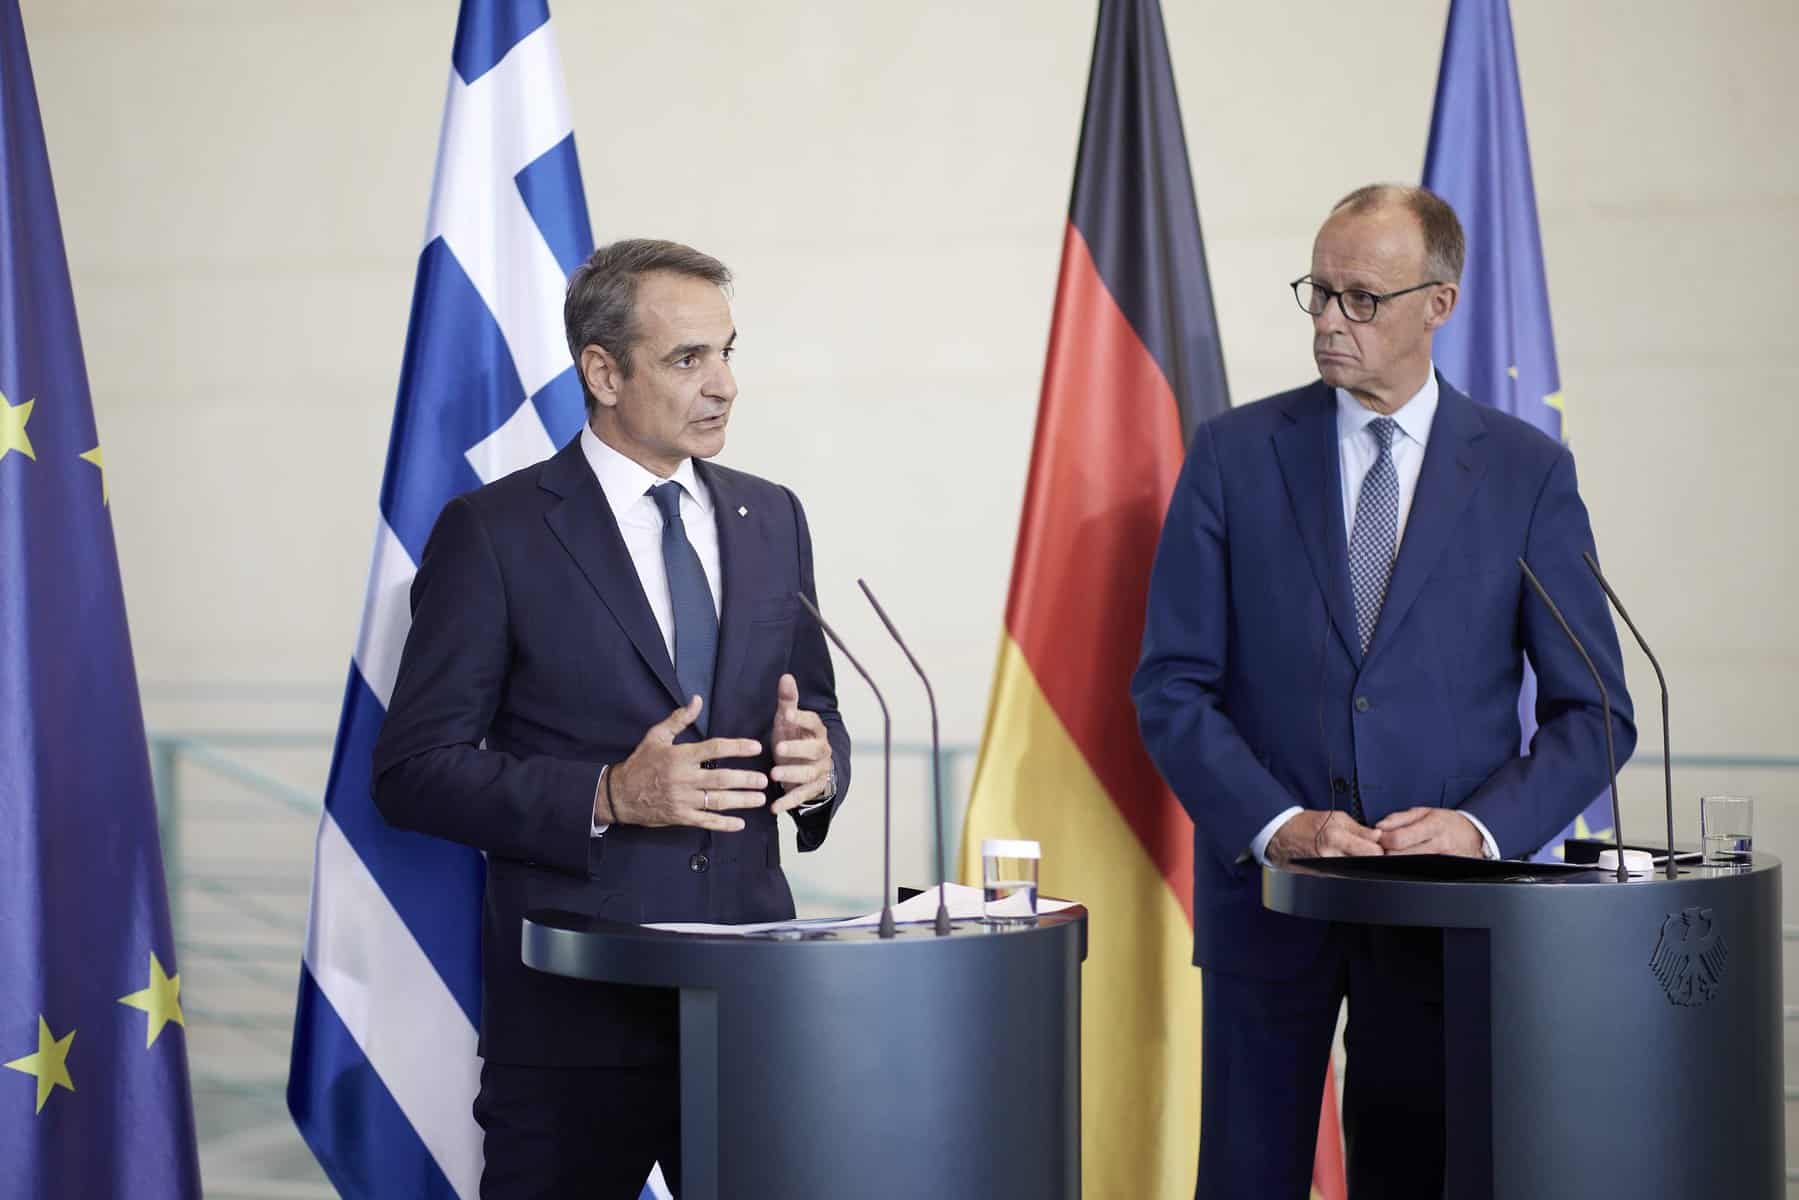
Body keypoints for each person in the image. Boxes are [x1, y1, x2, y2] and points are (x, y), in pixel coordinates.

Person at [1131, 185, 1634, 1197]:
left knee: (1416, 1175)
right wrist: (1277, 824)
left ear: (1437, 303)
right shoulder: (1231, 453)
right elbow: (1171, 685)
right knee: (1245, 1177)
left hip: (1440, 910)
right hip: (1269, 898)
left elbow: (1594, 712)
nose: (1327, 320)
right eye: (1317, 291)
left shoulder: (1524, 473)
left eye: (1359, 298)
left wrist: (1479, 831)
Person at [372, 238, 850, 1199]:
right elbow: (412, 769)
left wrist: (820, 766)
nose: (723, 385)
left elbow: (817, 705)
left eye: (726, 352)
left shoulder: (772, 516)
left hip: (750, 998)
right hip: (574, 1017)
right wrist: (607, 795)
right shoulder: (494, 532)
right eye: (687, 359)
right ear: (602, 372)